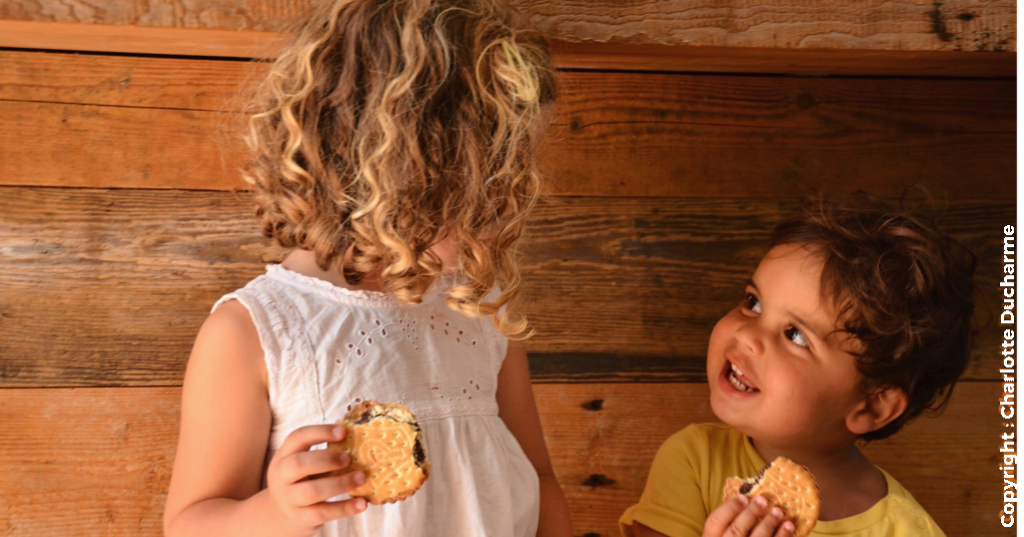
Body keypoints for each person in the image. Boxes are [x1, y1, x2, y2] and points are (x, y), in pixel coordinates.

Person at [162, 0, 572, 535]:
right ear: (390, 165)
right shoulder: (256, 331)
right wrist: (276, 512)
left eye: (517, 178)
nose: (510, 206)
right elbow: (191, 523)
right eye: (487, 184)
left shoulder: (479, 306)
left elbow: (537, 482)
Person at [620, 194, 976, 537]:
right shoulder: (694, 462)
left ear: (872, 405)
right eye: (753, 302)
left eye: (796, 335)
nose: (747, 335)